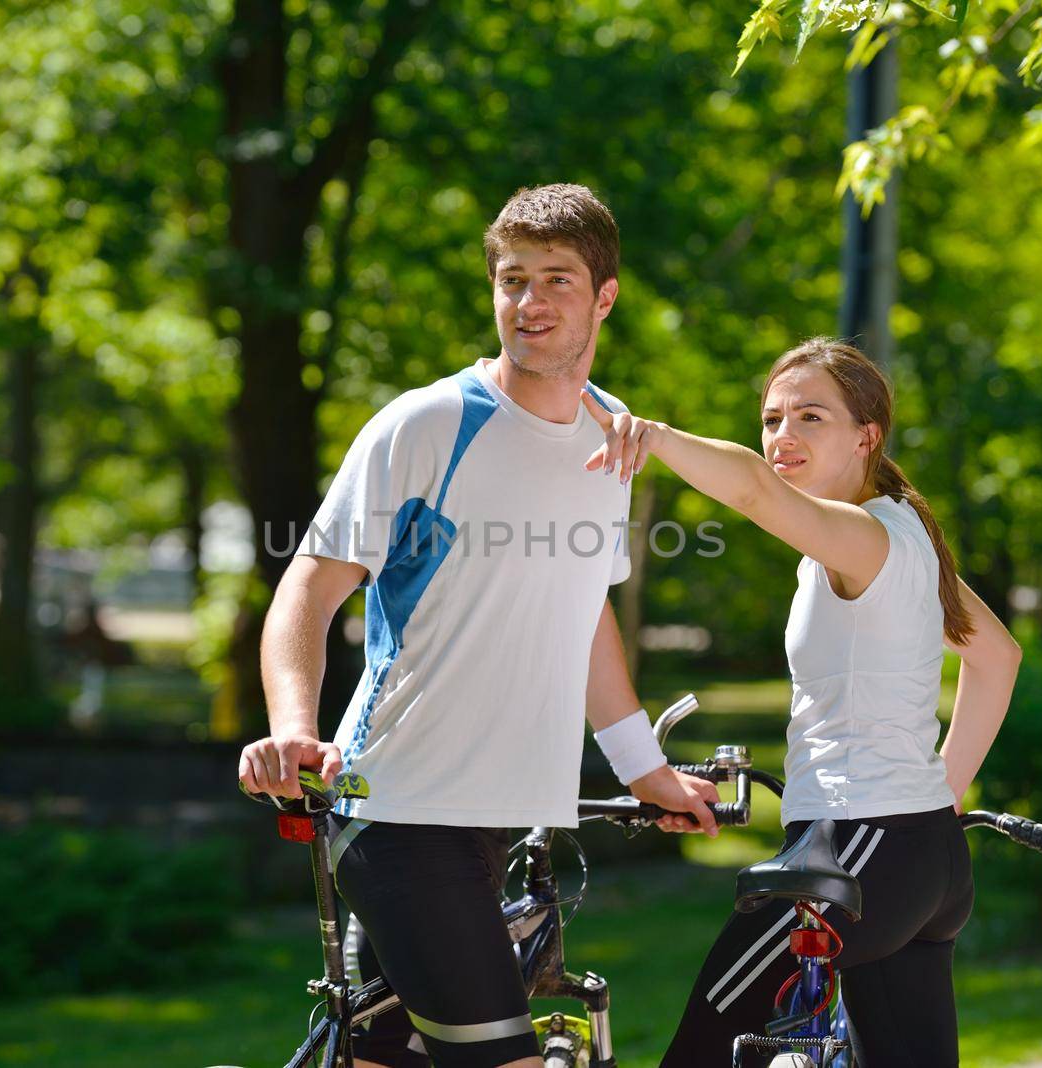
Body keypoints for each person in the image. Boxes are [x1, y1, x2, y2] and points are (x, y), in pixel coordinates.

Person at [237, 183, 720, 1068]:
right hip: (398, 809)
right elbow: (307, 589)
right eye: (511, 280)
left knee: (378, 1060)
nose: (528, 303)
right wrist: (293, 730)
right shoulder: (430, 424)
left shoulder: (614, 435)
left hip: (486, 821)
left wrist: (645, 770)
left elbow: (587, 617)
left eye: (556, 281)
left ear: (605, 295)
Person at [581, 338, 1022, 1068]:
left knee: (700, 1052)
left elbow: (754, 489)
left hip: (855, 850)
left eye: (810, 418)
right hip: (919, 859)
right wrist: (938, 798)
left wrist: (654, 437)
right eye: (772, 418)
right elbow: (997, 655)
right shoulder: (902, 536)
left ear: (865, 436)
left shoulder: (862, 535)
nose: (783, 436)